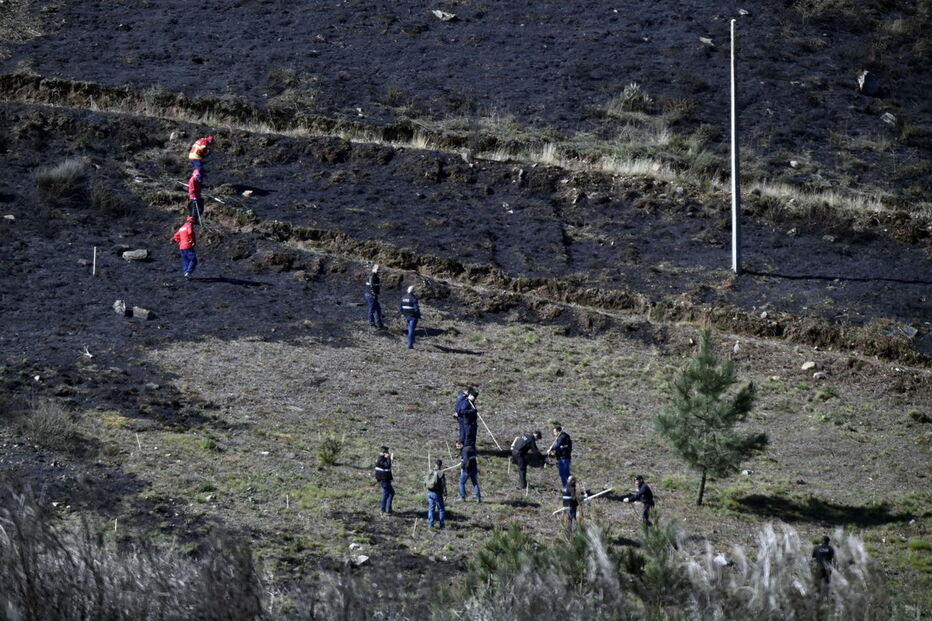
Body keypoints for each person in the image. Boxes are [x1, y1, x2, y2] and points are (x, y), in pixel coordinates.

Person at [424, 458, 447, 529]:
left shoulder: (430, 471)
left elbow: (425, 482)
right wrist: (445, 494)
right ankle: (442, 525)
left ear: (435, 464)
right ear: (440, 465)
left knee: (431, 509)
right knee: (441, 509)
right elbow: (443, 484)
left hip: (430, 492)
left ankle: (430, 524)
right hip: (437, 493)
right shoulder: (441, 473)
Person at [374, 446, 394, 514]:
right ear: (381, 452)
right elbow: (387, 465)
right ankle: (383, 509)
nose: (387, 453)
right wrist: (388, 458)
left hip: (386, 479)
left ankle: (387, 508)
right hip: (384, 480)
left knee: (390, 493)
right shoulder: (380, 459)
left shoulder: (381, 459)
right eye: (385, 452)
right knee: (386, 494)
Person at [364, 263, 385, 329]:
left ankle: (379, 324)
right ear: (374, 268)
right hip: (371, 295)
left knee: (378, 309)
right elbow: (372, 286)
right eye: (378, 269)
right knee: (372, 309)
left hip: (372, 295)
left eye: (379, 269)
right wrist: (374, 295)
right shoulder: (372, 276)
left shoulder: (375, 276)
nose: (379, 270)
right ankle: (372, 324)